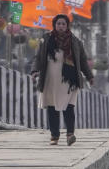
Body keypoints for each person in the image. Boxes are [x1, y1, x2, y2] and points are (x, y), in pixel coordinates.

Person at [31, 14, 94, 146]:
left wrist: (89, 76)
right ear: (54, 25)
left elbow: (82, 61)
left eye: (63, 24)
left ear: (67, 26)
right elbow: (38, 57)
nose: (61, 26)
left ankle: (70, 134)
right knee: (52, 108)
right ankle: (54, 136)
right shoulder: (46, 39)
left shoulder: (75, 42)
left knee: (69, 107)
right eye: (58, 24)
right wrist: (35, 70)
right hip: (51, 79)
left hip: (69, 80)